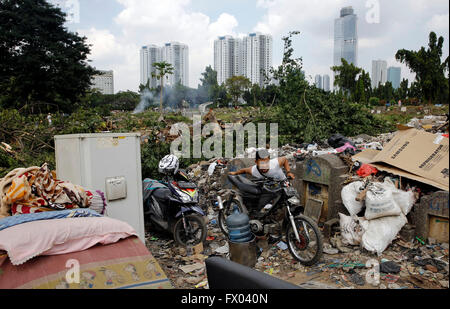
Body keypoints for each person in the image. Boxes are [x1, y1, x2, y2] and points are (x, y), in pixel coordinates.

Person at [229, 148, 295, 180]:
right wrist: (235, 173)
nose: (264, 166)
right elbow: (244, 170)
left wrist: (288, 172)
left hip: (284, 184)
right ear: (256, 162)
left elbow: (285, 159)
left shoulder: (275, 163)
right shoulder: (254, 170)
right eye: (261, 164)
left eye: (266, 163)